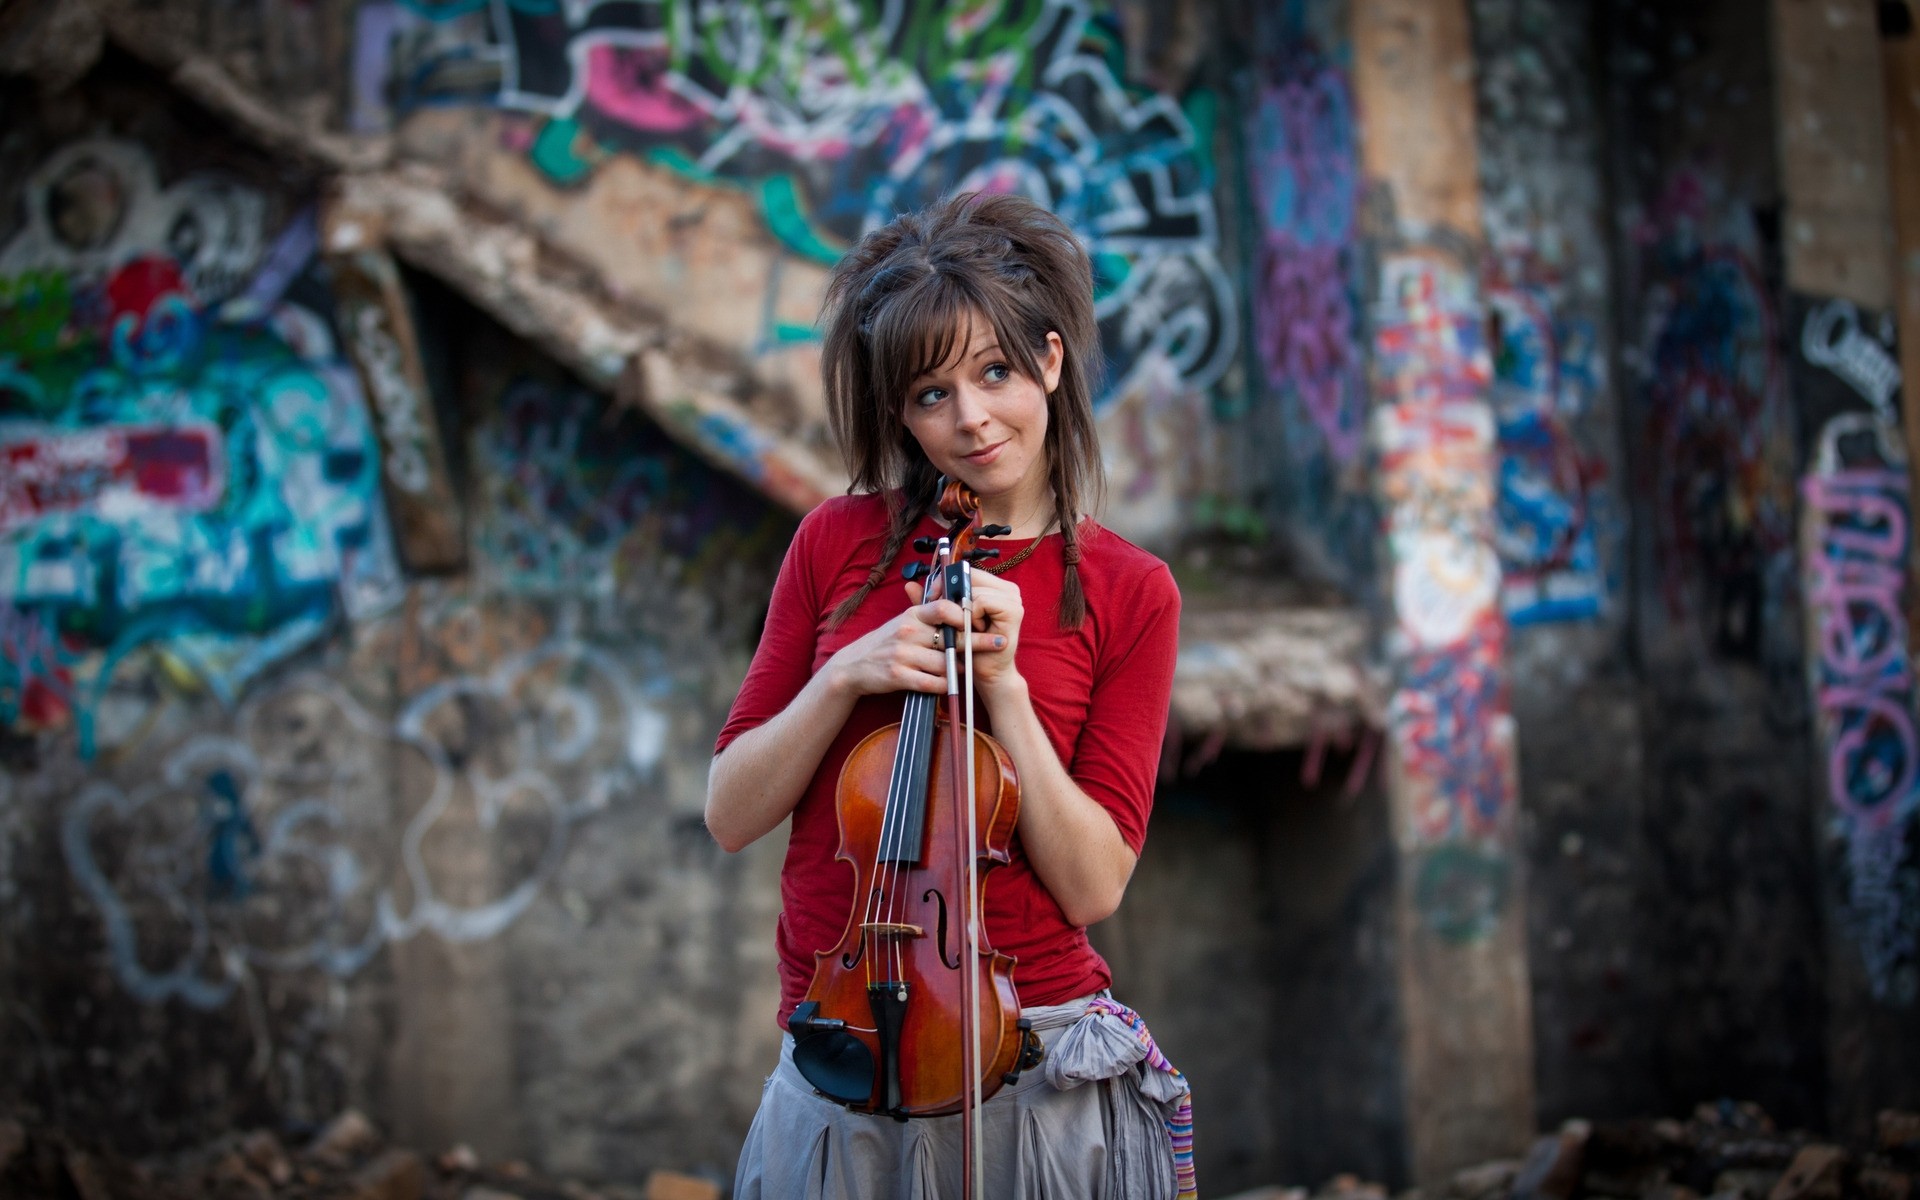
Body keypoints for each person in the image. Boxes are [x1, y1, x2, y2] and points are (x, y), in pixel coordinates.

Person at [706, 192, 1193, 1200]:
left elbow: (1097, 886)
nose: (970, 419)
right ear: (899, 412)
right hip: (841, 1036)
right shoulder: (836, 545)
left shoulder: (1128, 589)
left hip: (1032, 1050)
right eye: (930, 394)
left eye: (996, 373)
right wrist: (848, 673)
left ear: (1050, 364)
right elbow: (731, 811)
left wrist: (1007, 689)